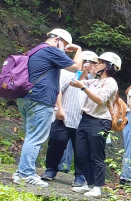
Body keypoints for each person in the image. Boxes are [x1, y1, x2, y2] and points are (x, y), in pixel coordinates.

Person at [13, 29, 83, 187]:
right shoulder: (51, 50)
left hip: (26, 98)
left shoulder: (34, 51)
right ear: (57, 39)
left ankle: (21, 171)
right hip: (40, 100)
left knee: (31, 136)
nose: (64, 51)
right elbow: (77, 67)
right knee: (35, 138)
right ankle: (26, 174)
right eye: (64, 46)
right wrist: (78, 50)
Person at [41, 50, 99, 184]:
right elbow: (58, 90)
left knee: (81, 150)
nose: (95, 67)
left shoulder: (94, 81)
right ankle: (51, 169)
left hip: (82, 120)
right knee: (57, 142)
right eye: (93, 64)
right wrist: (59, 108)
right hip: (65, 115)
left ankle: (80, 175)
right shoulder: (69, 74)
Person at [70, 52, 122, 198]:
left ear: (109, 66)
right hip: (85, 118)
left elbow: (100, 100)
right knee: (81, 153)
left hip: (100, 121)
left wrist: (84, 88)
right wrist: (84, 71)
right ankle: (86, 182)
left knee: (96, 155)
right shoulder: (96, 81)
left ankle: (97, 187)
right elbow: (73, 82)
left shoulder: (111, 82)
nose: (96, 64)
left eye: (100, 62)